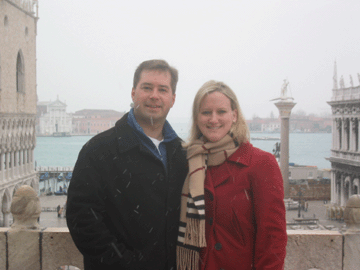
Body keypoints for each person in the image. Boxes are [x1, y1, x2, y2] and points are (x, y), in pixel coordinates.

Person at [66, 59, 188, 270]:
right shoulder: (98, 150)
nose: (154, 96)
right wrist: (126, 263)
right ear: (133, 93)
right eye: (147, 88)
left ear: (173, 99)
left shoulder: (183, 153)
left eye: (163, 89)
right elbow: (82, 219)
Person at [177, 80, 287, 270]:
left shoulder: (260, 163)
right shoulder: (188, 162)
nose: (213, 119)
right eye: (206, 112)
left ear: (234, 115)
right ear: (197, 117)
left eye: (221, 112)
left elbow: (273, 237)